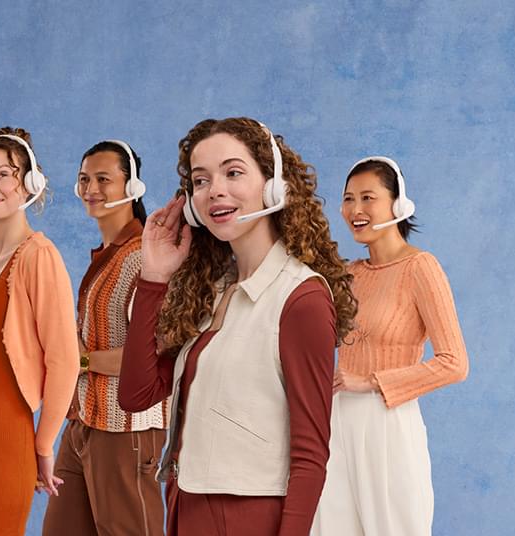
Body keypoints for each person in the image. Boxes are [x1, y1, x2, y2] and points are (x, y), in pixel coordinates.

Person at [118, 118, 358, 536]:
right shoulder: (212, 293)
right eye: (201, 180)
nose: (216, 190)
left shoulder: (301, 299)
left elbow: (310, 453)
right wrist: (153, 279)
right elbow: (137, 395)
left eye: (233, 172)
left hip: (249, 519)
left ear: (272, 185)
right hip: (184, 509)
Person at [310, 156, 469, 536]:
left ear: (397, 205)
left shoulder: (421, 268)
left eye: (368, 198)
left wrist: (371, 382)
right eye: (348, 199)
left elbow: (454, 363)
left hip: (388, 424)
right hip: (336, 423)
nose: (355, 210)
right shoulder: (348, 275)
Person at [0, 127, 79, 535]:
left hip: (2, 442)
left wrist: (44, 446)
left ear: (30, 183)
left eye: (4, 174)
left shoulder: (38, 256)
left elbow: (64, 359)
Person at [42, 140, 167, 536]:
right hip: (82, 421)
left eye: (103, 179)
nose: (91, 189)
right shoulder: (108, 255)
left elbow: (153, 356)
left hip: (127, 429)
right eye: (84, 179)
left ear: (132, 187)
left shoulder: (148, 257)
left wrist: (77, 360)